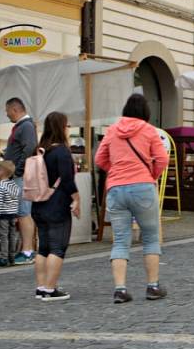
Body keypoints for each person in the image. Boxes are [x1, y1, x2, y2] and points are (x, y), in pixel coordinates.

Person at [96, 94, 169, 304]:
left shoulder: (112, 130)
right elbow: (162, 158)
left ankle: (120, 289)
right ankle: (152, 286)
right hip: (143, 187)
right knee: (150, 237)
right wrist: (150, 175)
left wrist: (116, 171)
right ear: (145, 111)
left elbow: (99, 159)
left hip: (116, 188)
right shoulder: (149, 130)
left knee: (120, 240)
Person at [31, 112, 79, 301]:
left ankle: (41, 287)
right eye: (67, 126)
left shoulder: (39, 149)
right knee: (57, 248)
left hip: (38, 204)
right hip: (57, 204)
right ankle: (51, 290)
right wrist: (76, 199)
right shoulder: (62, 151)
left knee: (43, 247)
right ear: (62, 127)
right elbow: (67, 180)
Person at [3, 97, 38, 265]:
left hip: (21, 176)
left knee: (24, 213)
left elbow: (29, 148)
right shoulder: (22, 126)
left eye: (7, 110)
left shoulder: (26, 127)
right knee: (22, 213)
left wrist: (18, 170)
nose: (7, 114)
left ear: (15, 110)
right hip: (18, 176)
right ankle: (26, 249)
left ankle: (27, 251)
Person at [0, 160, 20, 267]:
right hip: (13, 214)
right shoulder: (13, 184)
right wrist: (16, 214)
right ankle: (12, 257)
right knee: (12, 236)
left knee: (4, 236)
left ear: (2, 171)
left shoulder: (0, 185)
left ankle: (3, 258)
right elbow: (16, 200)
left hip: (3, 215)